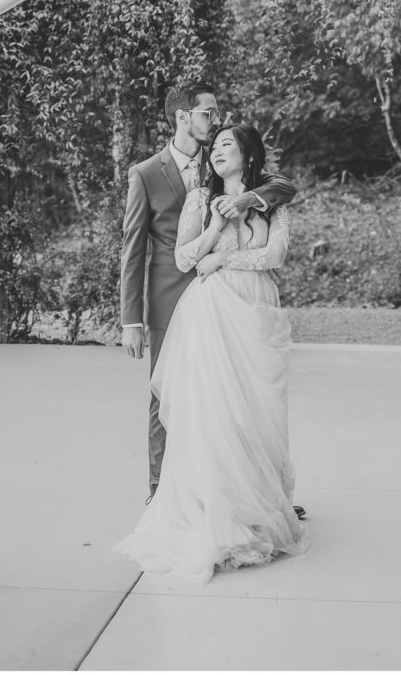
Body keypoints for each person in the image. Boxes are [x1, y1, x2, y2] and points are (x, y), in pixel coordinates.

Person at [115, 122, 309, 582]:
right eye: (215, 145)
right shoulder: (201, 199)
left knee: (257, 413)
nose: (218, 151)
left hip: (257, 311)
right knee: (216, 413)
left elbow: (276, 254)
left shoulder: (270, 199)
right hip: (213, 312)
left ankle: (258, 510)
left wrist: (224, 257)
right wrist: (217, 228)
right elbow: (184, 257)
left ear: (247, 153)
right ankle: (214, 517)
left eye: (228, 144)